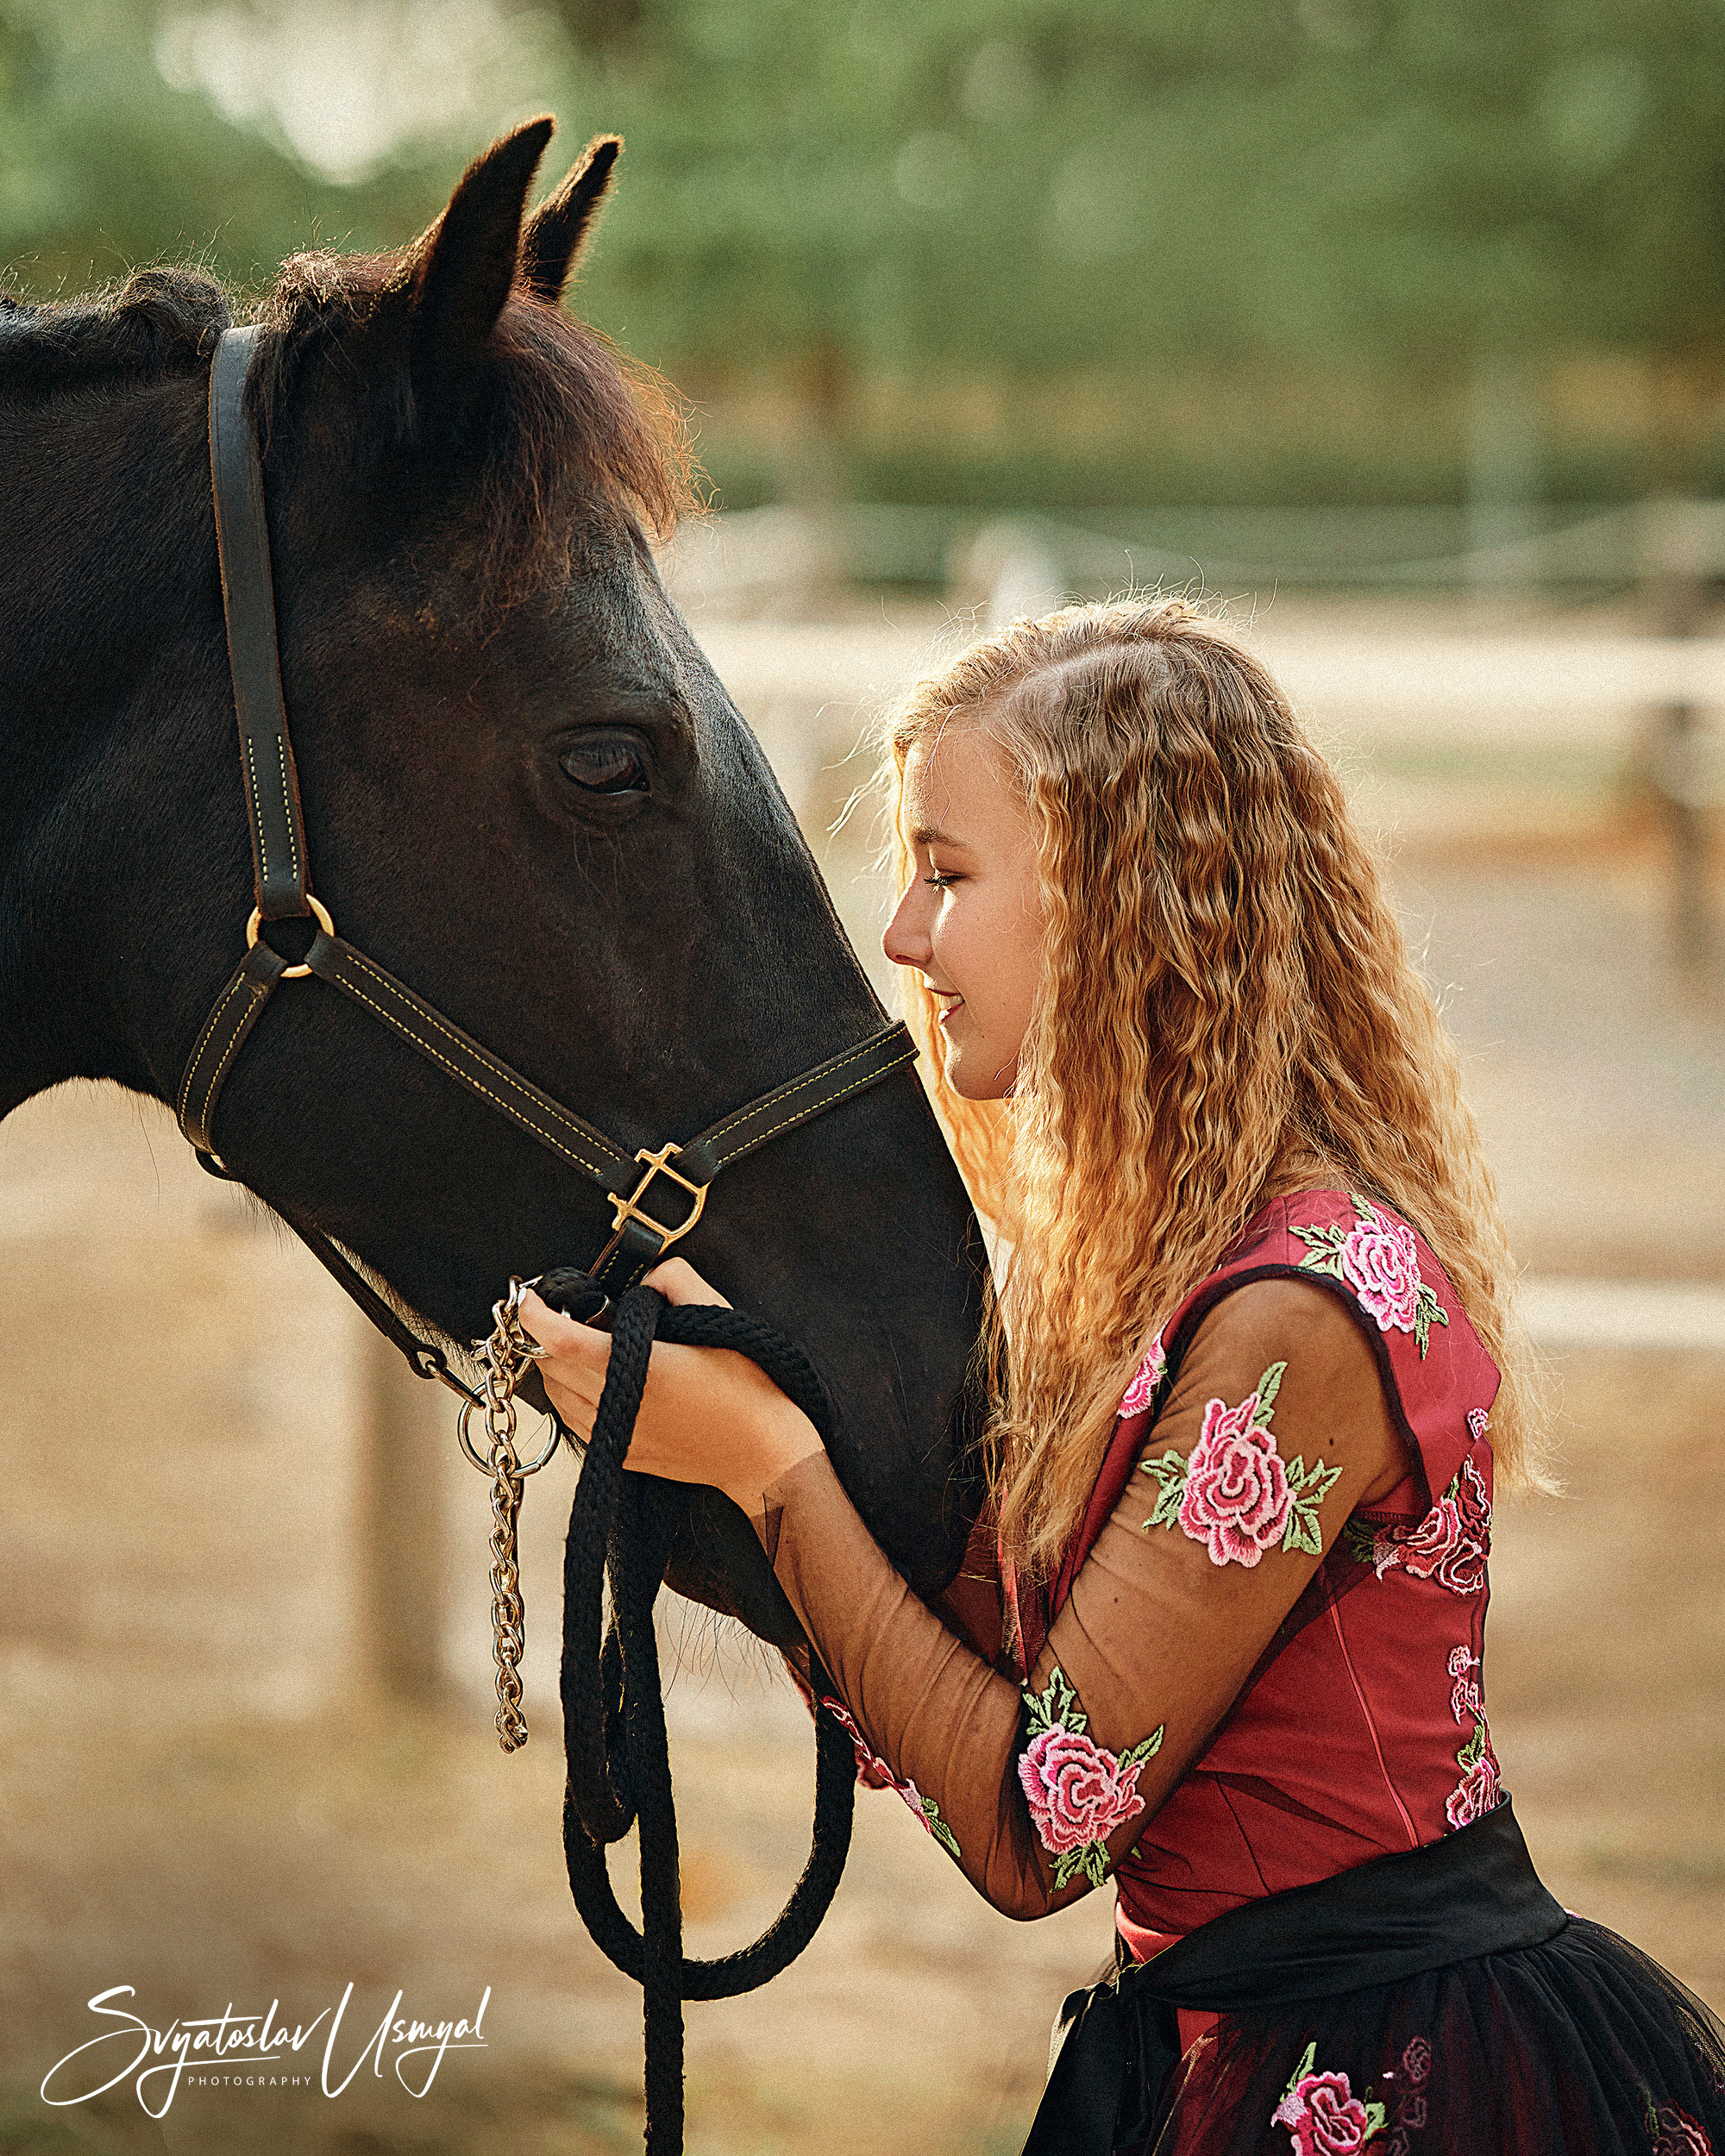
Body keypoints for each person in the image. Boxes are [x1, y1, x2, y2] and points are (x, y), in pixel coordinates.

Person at [521, 598, 1725, 2154]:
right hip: (1222, 2038)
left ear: (1119, 910)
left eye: (948, 877)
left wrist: (772, 1468)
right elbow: (992, 1671)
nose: (902, 938)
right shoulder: (1160, 1266)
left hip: (1377, 2068)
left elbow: (1039, 1825)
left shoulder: (1298, 1316)